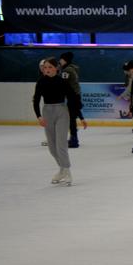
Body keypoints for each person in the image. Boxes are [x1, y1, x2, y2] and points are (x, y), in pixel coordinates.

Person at [33, 57, 83, 186]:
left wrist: (79, 116)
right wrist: (39, 116)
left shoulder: (62, 82)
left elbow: (73, 98)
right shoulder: (41, 82)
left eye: (50, 67)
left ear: (56, 68)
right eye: (45, 67)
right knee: (52, 147)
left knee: (61, 144)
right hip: (47, 112)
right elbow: (36, 99)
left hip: (61, 111)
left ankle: (67, 171)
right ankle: (62, 169)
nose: (47, 70)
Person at [59, 52, 86, 148]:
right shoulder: (72, 68)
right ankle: (73, 137)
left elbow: (63, 83)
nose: (59, 61)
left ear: (65, 60)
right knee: (72, 117)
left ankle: (74, 139)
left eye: (61, 59)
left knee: (71, 119)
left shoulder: (67, 70)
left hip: (72, 96)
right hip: (75, 95)